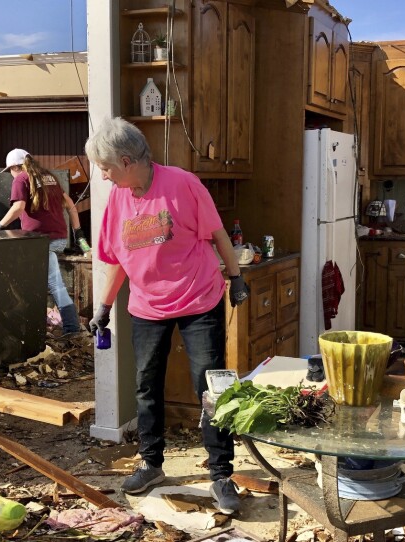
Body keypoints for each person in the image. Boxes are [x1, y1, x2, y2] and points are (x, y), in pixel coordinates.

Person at [84, 118, 250, 514]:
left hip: (199, 298)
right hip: (146, 306)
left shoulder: (184, 184)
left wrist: (236, 277)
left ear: (126, 161)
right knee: (146, 384)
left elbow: (218, 235)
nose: (103, 176)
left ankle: (221, 473)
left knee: (211, 386)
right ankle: (151, 463)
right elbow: (118, 261)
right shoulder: (118, 200)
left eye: (105, 168)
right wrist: (103, 307)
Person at [0, 148, 88, 335]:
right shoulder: (49, 177)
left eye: (10, 170)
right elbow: (71, 205)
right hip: (58, 238)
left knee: (52, 283)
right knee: (38, 280)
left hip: (38, 240)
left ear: (16, 166)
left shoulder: (21, 178)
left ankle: (70, 327)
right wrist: (78, 233)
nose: (11, 174)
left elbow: (18, 207)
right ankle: (40, 323)